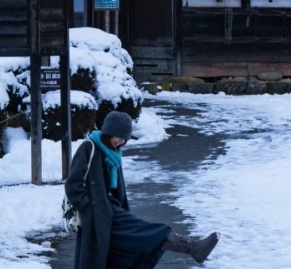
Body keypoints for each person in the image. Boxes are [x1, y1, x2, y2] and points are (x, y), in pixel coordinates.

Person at [65, 110, 219, 268]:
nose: (121, 141)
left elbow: (116, 189)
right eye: (118, 136)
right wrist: (89, 208)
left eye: (124, 138)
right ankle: (192, 247)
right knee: (145, 233)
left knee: (138, 238)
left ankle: (193, 247)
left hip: (111, 210)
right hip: (97, 212)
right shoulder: (89, 147)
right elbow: (72, 185)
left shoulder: (114, 154)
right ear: (108, 132)